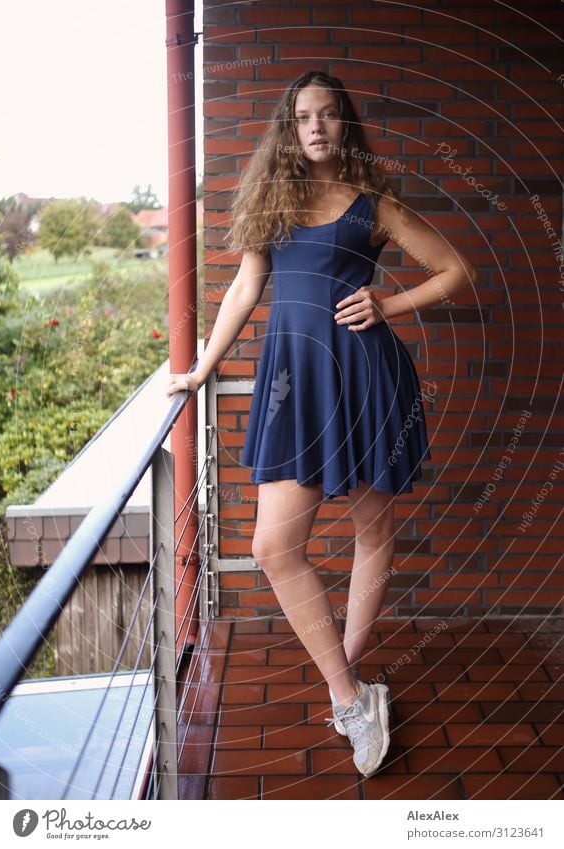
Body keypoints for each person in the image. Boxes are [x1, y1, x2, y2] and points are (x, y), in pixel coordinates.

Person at [167, 70, 477, 778]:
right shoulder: (272, 202)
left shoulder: (372, 204)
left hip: (367, 379)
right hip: (294, 383)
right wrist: (200, 369)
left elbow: (453, 268)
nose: (315, 126)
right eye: (303, 115)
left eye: (328, 115)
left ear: (343, 127)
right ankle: (347, 692)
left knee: (374, 528)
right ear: (289, 126)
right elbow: (245, 289)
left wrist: (387, 304)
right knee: (275, 545)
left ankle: (353, 682)